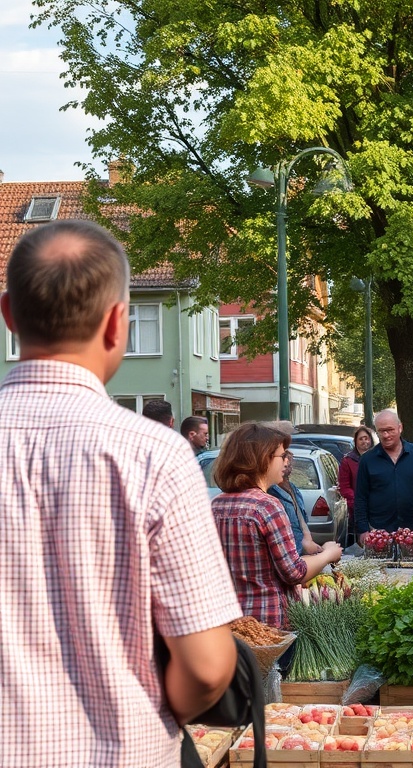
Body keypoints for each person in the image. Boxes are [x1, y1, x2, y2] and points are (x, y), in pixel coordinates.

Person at [0, 219, 240, 764]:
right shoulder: (155, 456)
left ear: (9, 315)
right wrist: (149, 712)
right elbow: (205, 666)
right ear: (117, 323)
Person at [212, 423, 343, 672]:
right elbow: (293, 572)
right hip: (268, 630)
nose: (286, 462)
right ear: (262, 459)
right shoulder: (267, 506)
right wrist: (328, 554)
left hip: (227, 626)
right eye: (282, 456)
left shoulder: (216, 504)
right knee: (272, 704)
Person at [354, 409, 413, 542]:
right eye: (381, 431)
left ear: (400, 427)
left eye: (390, 430)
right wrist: (363, 530)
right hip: (378, 532)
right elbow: (361, 497)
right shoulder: (367, 460)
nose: (386, 435)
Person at [269, 450, 323, 556]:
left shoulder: (293, 488)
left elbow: (302, 519)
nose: (289, 467)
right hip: (289, 551)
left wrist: (309, 540)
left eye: (290, 464)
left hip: (299, 549)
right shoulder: (271, 491)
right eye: (286, 464)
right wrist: (304, 544)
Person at [338, 425, 375, 541]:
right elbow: (344, 487)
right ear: (355, 441)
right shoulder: (348, 460)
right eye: (361, 439)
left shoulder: (378, 458)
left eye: (366, 438)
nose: (364, 441)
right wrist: (358, 500)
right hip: (357, 508)